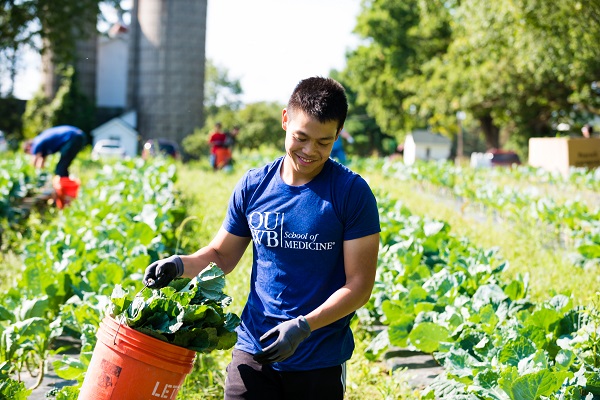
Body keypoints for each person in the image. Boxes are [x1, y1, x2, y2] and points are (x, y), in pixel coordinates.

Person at [143, 77, 381, 399]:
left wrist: (304, 326)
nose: (310, 151)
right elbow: (222, 255)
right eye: (301, 137)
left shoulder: (351, 194)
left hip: (318, 359)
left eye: (324, 142)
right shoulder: (255, 186)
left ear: (338, 134)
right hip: (255, 347)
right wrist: (177, 265)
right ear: (285, 120)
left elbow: (359, 286)